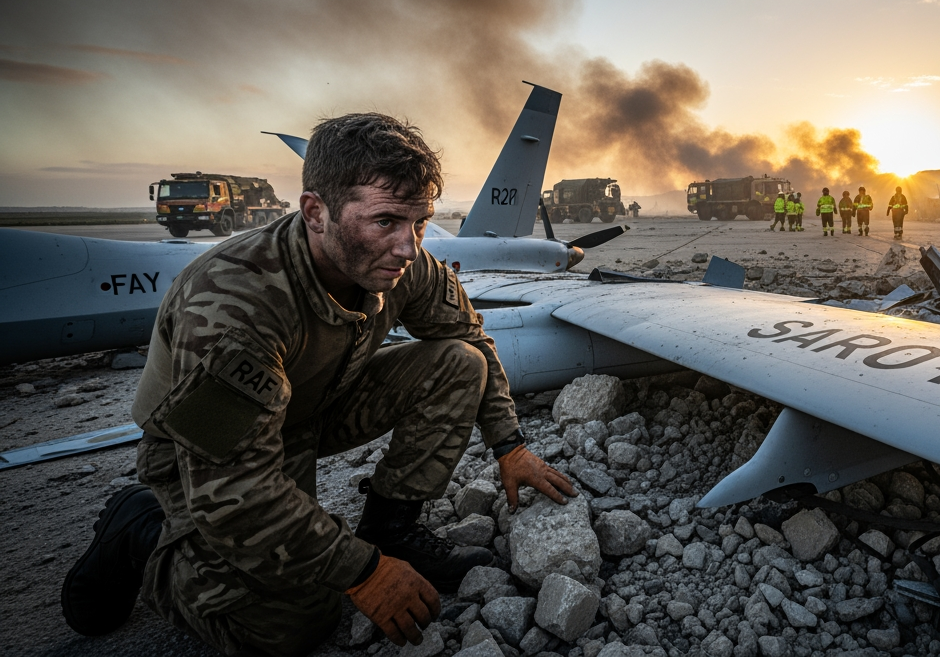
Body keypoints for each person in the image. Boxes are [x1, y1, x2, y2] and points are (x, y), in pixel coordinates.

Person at [62, 113, 576, 655]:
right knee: (291, 624)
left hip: (308, 409)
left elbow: (470, 336)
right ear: (316, 212)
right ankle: (143, 534)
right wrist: (361, 571)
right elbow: (233, 492)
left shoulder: (402, 262)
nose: (407, 246)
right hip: (204, 458)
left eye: (419, 222)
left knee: (459, 362)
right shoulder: (237, 303)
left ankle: (392, 529)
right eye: (385, 221)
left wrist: (509, 444)